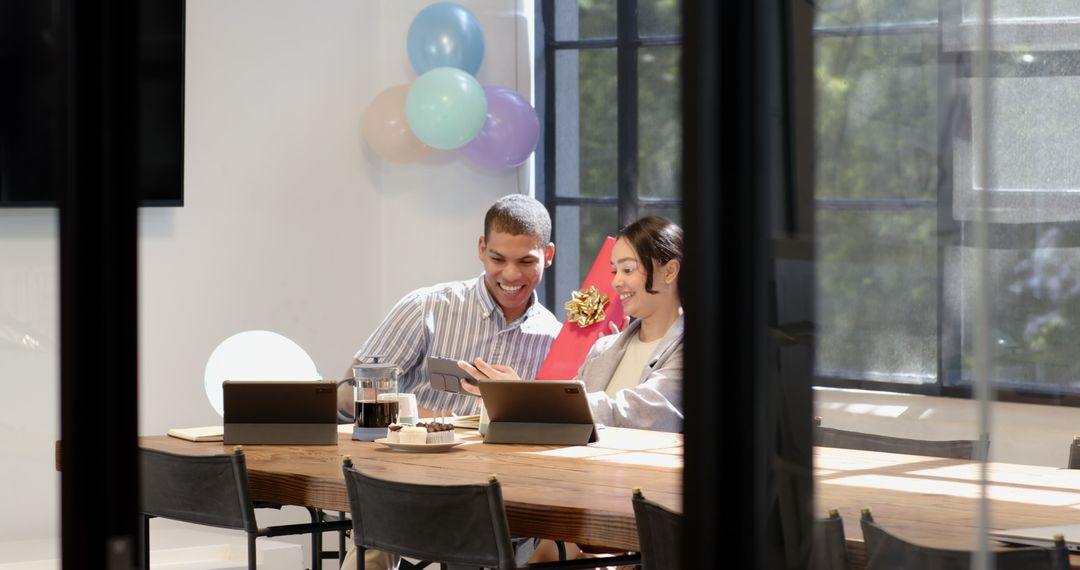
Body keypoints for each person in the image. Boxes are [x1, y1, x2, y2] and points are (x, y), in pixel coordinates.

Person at [338, 195, 562, 570]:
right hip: (407, 484)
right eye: (498, 259)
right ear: (480, 249)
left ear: (549, 255)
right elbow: (346, 394)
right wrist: (417, 416)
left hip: (498, 496)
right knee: (377, 532)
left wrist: (523, 397)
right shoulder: (427, 307)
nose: (510, 275)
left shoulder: (554, 339)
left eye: (526, 261)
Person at [461, 215, 684, 433]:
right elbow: (567, 417)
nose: (616, 282)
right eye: (614, 271)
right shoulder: (602, 348)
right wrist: (513, 400)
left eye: (628, 270)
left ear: (670, 271)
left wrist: (526, 397)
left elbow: (643, 412)